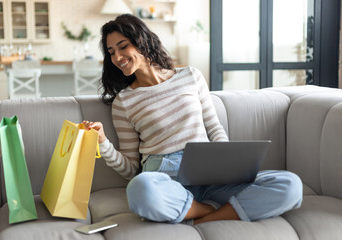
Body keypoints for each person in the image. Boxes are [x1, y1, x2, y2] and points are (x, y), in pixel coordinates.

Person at [83, 14, 303, 225]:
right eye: (111, 52)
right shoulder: (124, 101)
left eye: (123, 46)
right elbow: (131, 169)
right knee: (139, 189)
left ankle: (199, 217)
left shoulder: (190, 76)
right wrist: (102, 142)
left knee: (290, 184)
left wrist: (227, 163)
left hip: (210, 172)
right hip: (165, 178)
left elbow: (214, 128)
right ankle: (206, 209)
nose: (117, 57)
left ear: (142, 41)